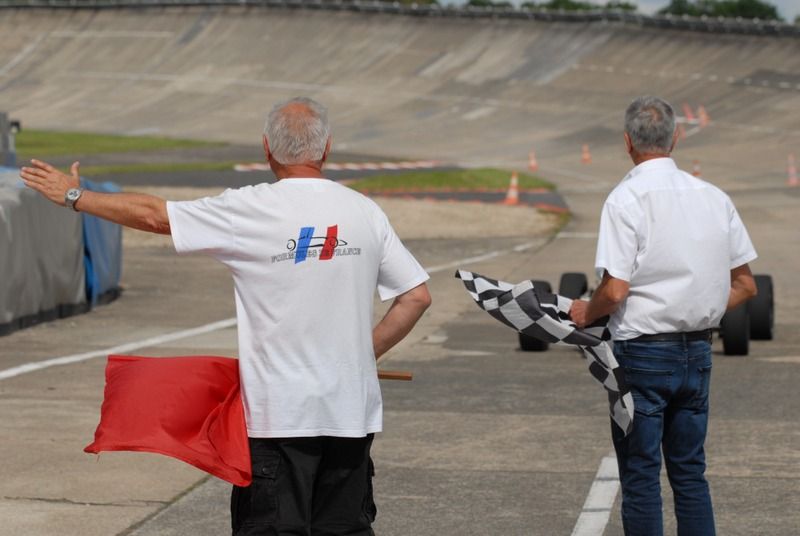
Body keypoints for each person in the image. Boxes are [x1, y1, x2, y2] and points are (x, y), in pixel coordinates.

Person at [20, 97, 432, 536]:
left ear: (266, 149)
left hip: (279, 420)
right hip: (351, 416)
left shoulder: (249, 209)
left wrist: (75, 196)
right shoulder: (364, 211)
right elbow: (416, 297)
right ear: (327, 147)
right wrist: (359, 355)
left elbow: (155, 216)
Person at [569, 96, 757, 536]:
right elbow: (746, 285)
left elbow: (614, 290)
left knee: (640, 473)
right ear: (676, 136)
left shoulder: (625, 198)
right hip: (698, 351)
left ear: (627, 143)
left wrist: (585, 312)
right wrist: (700, 306)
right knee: (690, 473)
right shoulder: (714, 197)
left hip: (642, 353)